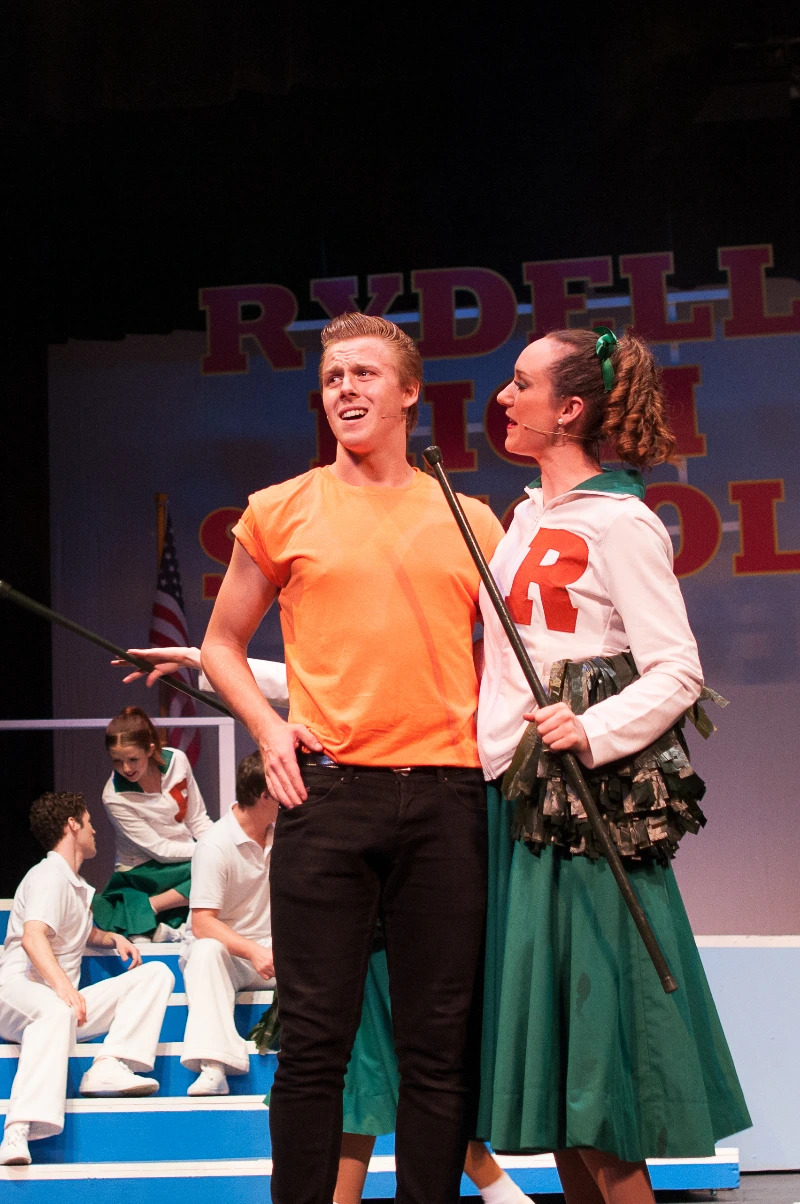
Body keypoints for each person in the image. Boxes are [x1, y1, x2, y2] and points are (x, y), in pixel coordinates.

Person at [200, 312, 504, 1204]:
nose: (346, 389)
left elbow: (508, 659)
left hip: (449, 799)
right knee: (313, 1045)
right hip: (328, 799)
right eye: (334, 377)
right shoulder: (280, 508)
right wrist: (269, 729)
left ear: (409, 393)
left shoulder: (471, 518)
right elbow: (220, 645)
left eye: (365, 374)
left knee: (438, 1050)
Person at [475, 327, 751, 1203]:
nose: (502, 398)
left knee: (595, 1072)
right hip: (512, 802)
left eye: (520, 384)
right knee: (561, 1085)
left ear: (569, 409)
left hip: (578, 812)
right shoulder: (522, 517)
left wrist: (590, 728)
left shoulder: (622, 522)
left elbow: (677, 669)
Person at [117, 646, 531, 1204]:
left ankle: (495, 1186)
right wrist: (201, 658)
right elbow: (298, 680)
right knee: (351, 1069)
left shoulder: (458, 684)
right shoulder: (339, 734)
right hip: (353, 916)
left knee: (416, 1065)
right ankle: (493, 1188)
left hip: (422, 868)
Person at [0, 792, 174, 1166]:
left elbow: (77, 931)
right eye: (90, 822)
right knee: (54, 1013)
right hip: (18, 993)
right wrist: (65, 990)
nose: (95, 831)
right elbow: (33, 937)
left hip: (59, 1005)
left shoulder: (73, 884)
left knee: (156, 974)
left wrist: (111, 938)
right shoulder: (48, 876)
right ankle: (18, 1128)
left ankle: (110, 1064)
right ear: (72, 824)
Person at [180, 752, 277, 1096]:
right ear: (265, 795)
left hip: (276, 953)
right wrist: (253, 951)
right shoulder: (214, 845)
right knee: (205, 951)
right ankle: (214, 1066)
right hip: (233, 956)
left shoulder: (285, 833)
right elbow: (203, 924)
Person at [92, 706, 212, 941]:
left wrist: (218, 846)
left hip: (185, 859)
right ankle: (147, 917)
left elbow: (197, 819)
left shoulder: (177, 760)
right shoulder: (114, 796)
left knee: (224, 867)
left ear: (150, 749)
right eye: (117, 761)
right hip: (144, 870)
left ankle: (149, 912)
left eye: (133, 759)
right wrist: (208, 851)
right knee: (209, 867)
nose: (126, 768)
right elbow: (160, 850)